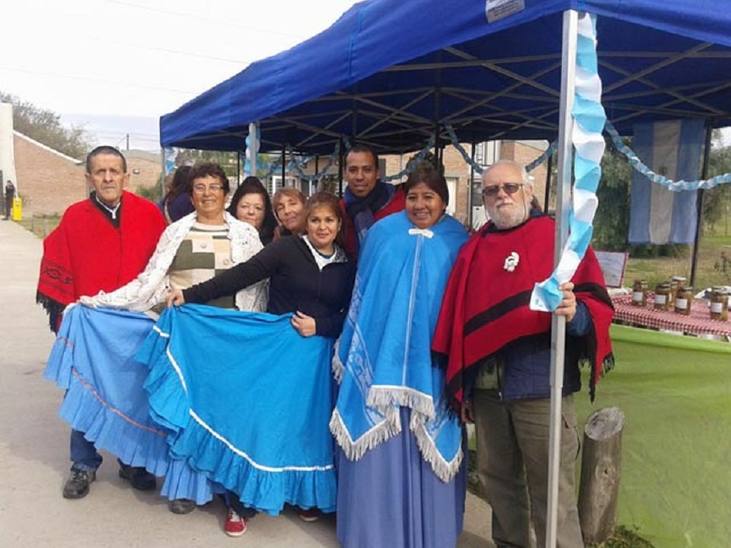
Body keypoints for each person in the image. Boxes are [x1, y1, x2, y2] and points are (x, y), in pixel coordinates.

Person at [432, 160, 614, 548]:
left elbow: (595, 304)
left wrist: (575, 313)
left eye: (510, 187)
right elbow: (463, 320)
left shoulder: (558, 239)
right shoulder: (475, 249)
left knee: (553, 492)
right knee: (499, 484)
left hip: (541, 387)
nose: (502, 196)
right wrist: (465, 385)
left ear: (529, 191)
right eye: (492, 190)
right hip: (488, 391)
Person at [81, 161, 267, 518]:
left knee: (223, 414)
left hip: (229, 338)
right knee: (185, 413)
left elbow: (258, 289)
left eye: (215, 186)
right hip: (184, 338)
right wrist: (99, 301)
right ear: (191, 193)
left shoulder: (245, 234)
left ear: (227, 194)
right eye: (200, 187)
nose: (208, 193)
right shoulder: (175, 232)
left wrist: (251, 333)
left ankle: (223, 487)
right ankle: (185, 488)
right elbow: (149, 281)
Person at [168, 191, 355, 535]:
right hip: (276, 352)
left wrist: (322, 327)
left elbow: (350, 314)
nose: (322, 227)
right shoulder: (287, 249)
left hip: (316, 360)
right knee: (262, 422)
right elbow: (242, 275)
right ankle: (241, 505)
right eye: (315, 220)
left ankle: (300, 496)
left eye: (329, 220)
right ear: (306, 223)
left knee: (306, 428)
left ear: (339, 225)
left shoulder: (347, 265)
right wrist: (191, 295)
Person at [331, 164, 468, 548]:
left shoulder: (458, 241)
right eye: (412, 196)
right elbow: (366, 297)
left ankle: (433, 533)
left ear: (444, 200)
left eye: (429, 197)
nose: (420, 205)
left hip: (433, 367)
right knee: (378, 450)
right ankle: (371, 534)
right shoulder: (382, 234)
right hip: (379, 366)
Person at [36, 145, 166, 500]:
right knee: (84, 389)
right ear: (88, 177)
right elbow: (57, 262)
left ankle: (132, 461)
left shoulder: (149, 214)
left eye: (114, 171)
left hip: (136, 322)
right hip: (92, 325)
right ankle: (83, 463)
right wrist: (66, 314)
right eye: (100, 171)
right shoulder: (74, 216)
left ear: (126, 175)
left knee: (133, 391)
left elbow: (164, 264)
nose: (108, 178)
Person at [340, 144, 406, 258]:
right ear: (345, 174)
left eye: (367, 170)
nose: (359, 177)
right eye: (353, 170)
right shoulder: (338, 210)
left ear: (377, 173)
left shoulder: (402, 204)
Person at [228, 176, 277, 245]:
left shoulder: (276, 242)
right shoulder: (224, 237)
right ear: (235, 207)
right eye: (245, 206)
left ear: (265, 212)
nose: (251, 212)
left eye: (258, 208)